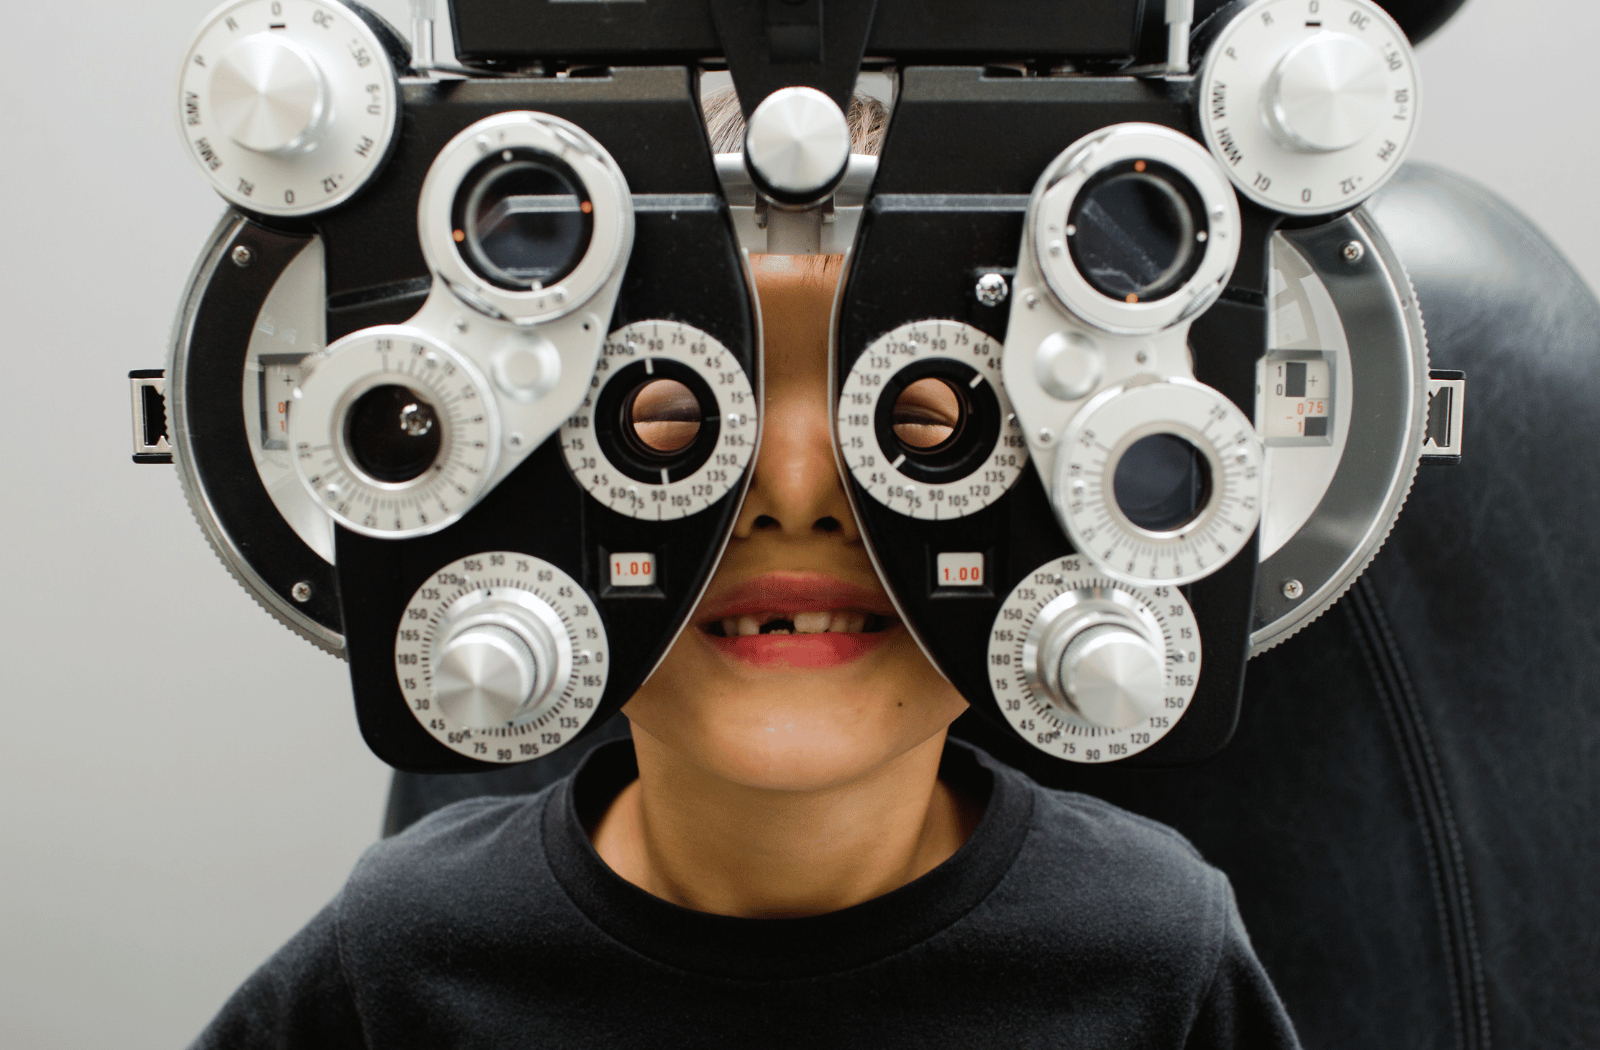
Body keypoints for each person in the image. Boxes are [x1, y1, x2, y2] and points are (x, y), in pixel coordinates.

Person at [189, 91, 1301, 1049]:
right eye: (669, 416)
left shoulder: (1156, 957)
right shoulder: (405, 958)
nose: (794, 493)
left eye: (924, 417)